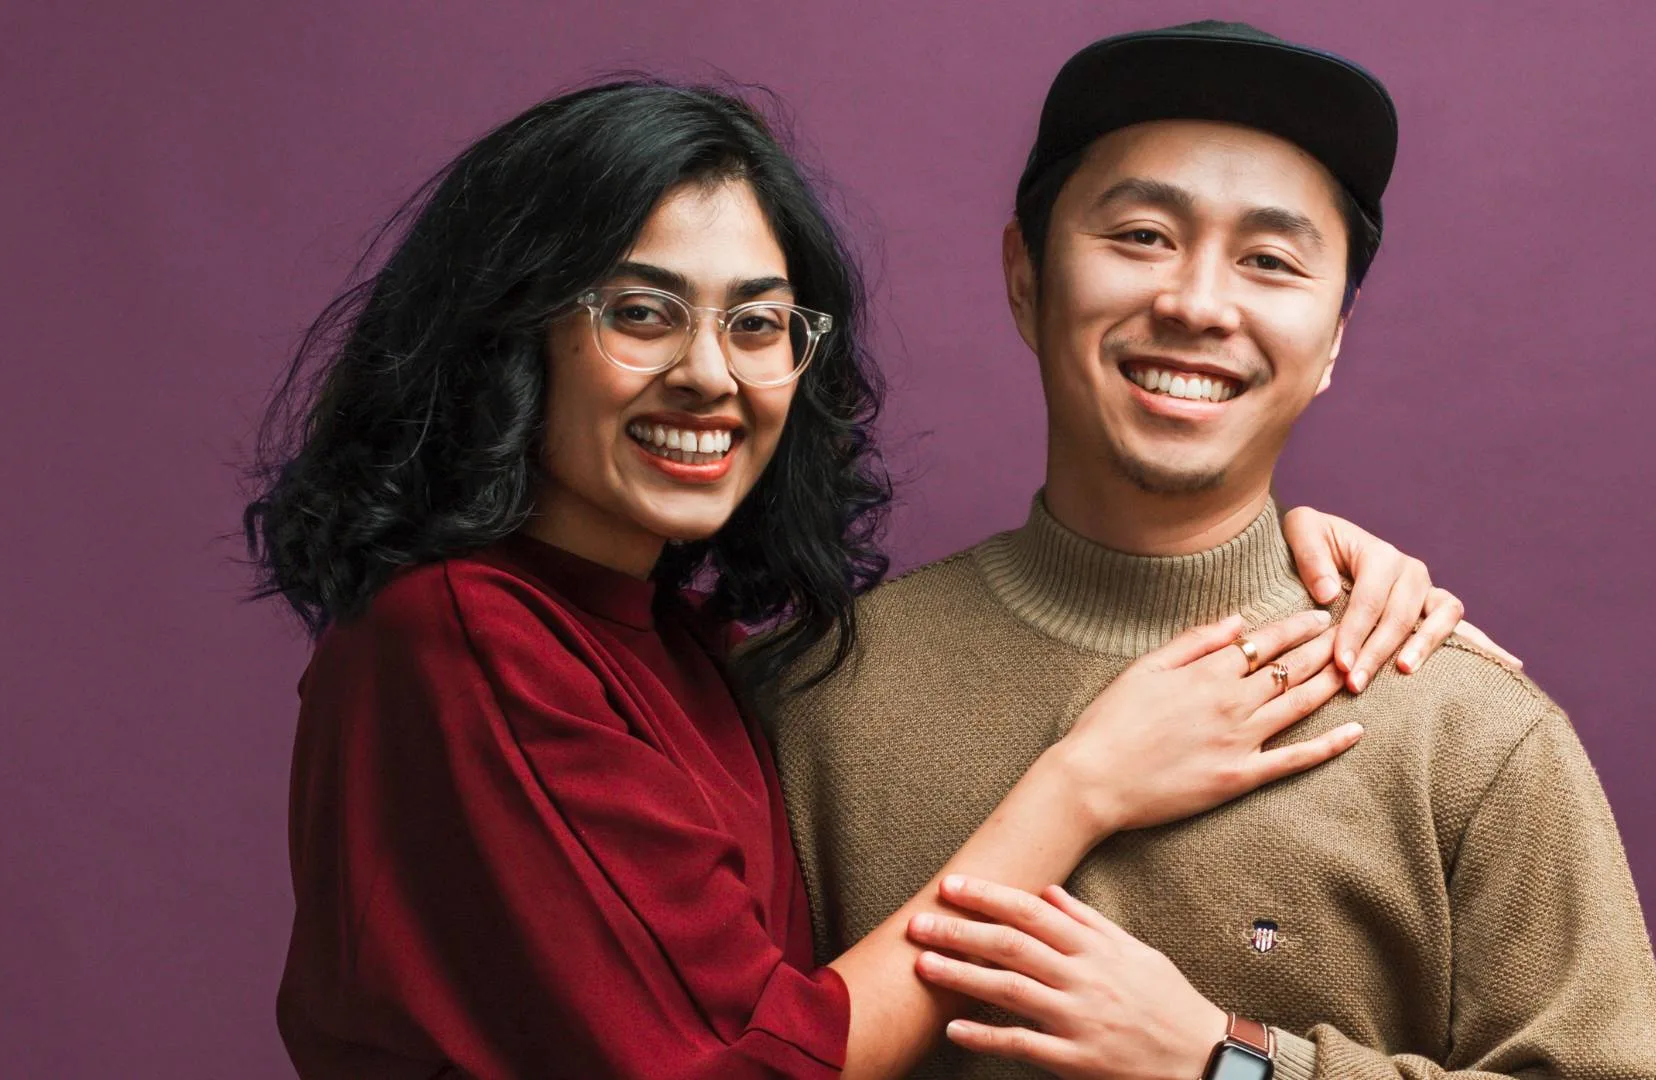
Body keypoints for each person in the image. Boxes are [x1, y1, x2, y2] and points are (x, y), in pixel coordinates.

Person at [244, 78, 1501, 1078]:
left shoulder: (697, 658)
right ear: (512, 334)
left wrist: (1266, 554)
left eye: (756, 322)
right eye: (639, 311)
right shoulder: (464, 635)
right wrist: (1081, 787)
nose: (711, 374)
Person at [767, 22, 1656, 1080]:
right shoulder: (808, 701)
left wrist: (1228, 1062)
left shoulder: (1469, 734)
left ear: (1335, 334)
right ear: (1026, 275)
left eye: (1269, 260)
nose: (1197, 303)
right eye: (1142, 236)